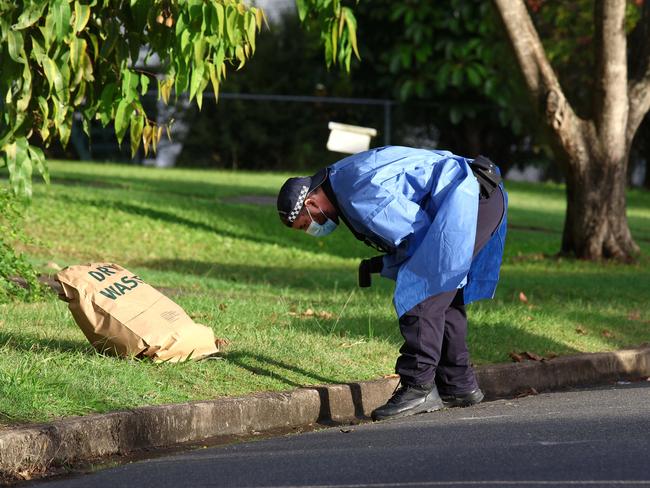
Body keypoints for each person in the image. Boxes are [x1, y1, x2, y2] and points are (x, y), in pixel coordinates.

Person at [276, 146, 507, 421]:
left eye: (305, 225)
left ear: (311, 204)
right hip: (480, 193)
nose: (312, 229)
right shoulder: (342, 179)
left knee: (421, 294)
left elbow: (416, 234)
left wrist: (392, 266)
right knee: (445, 294)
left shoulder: (357, 194)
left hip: (468, 199)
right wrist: (382, 263)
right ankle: (458, 385)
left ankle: (418, 387)